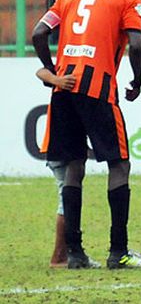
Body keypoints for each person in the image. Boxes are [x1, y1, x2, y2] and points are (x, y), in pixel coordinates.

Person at [31, 0, 141, 269]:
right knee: (119, 164)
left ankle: (75, 254)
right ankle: (119, 252)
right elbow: (137, 44)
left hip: (65, 88)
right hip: (98, 88)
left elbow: (38, 33)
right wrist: (137, 81)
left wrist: (55, 69)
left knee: (74, 164)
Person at [34, 67, 94, 269]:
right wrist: (56, 79)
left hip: (61, 145)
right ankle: (59, 256)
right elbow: (40, 71)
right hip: (59, 146)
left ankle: (64, 254)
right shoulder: (68, 75)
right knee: (66, 198)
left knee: (67, 195)